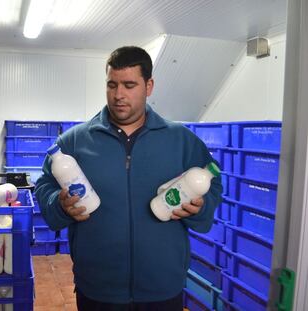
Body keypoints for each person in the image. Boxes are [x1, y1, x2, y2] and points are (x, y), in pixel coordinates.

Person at [35, 46, 223, 311]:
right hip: (98, 287)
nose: (119, 95)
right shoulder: (74, 141)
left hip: (162, 287)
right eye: (112, 85)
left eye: (129, 85)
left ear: (149, 86)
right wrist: (59, 204)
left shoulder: (181, 141)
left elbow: (212, 183)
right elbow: (44, 185)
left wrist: (200, 207)